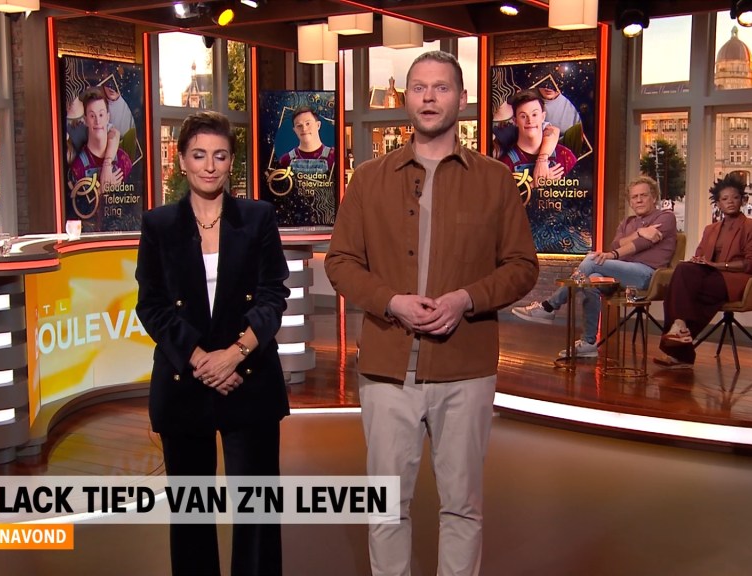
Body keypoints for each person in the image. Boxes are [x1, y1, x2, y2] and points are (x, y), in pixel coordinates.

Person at [325, 51, 538, 575]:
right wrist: (391, 301)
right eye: (419, 87)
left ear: (461, 100)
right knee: (385, 507)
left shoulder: (495, 180)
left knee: (462, 506)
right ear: (407, 98)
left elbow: (521, 267)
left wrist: (466, 298)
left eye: (441, 88)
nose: (428, 97)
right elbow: (340, 262)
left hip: (465, 368)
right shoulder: (368, 178)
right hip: (386, 368)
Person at [135, 111, 290, 576]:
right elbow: (152, 305)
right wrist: (203, 360)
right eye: (199, 155)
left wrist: (234, 356)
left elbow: (273, 295)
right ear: (181, 161)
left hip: (250, 379)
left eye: (219, 156)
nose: (209, 166)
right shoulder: (159, 224)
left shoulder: (258, 218)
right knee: (192, 518)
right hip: (185, 383)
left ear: (231, 163)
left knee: (257, 514)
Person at [512, 176, 678, 358]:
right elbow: (616, 244)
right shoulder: (628, 222)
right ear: (630, 201)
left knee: (592, 260)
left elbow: (640, 244)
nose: (638, 200)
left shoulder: (665, 217)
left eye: (643, 195)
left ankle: (549, 306)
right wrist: (639, 232)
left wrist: (614, 254)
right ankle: (589, 343)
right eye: (634, 197)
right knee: (590, 281)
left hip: (648, 275)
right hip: (624, 271)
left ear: (654, 197)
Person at [656, 175, 752, 367]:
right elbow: (700, 256)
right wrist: (698, 262)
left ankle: (680, 345)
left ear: (742, 200)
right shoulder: (711, 229)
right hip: (710, 279)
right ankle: (680, 330)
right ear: (718, 204)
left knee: (681, 289)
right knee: (682, 272)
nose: (730, 202)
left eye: (735, 197)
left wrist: (718, 266)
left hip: (736, 280)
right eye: (725, 199)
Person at [67, 88, 134, 225]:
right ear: (85, 120)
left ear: (108, 117)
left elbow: (133, 208)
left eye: (101, 115)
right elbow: (79, 215)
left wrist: (107, 165)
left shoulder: (123, 160)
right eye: (92, 116)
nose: (97, 121)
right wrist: (101, 190)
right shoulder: (77, 169)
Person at [499, 89, 578, 183]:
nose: (530, 121)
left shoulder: (565, 156)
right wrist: (534, 185)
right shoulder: (505, 165)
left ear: (543, 117)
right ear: (515, 121)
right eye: (523, 116)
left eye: (534, 114)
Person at [277, 106, 336, 173]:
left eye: (308, 123)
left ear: (318, 125)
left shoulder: (334, 156)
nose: (304, 129)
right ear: (294, 130)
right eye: (299, 125)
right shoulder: (285, 160)